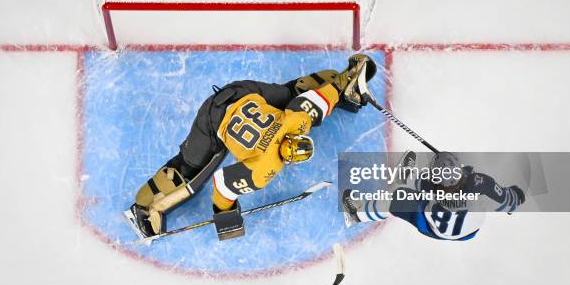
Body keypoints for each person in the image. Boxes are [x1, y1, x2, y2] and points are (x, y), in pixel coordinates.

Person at [125, 53, 377, 240]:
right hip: (213, 117)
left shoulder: (296, 119)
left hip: (242, 91)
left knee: (291, 95)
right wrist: (225, 214)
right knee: (191, 167)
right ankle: (144, 209)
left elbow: (320, 99)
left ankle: (347, 88)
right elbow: (221, 184)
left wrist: (346, 80)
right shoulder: (263, 168)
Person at [342, 151, 526, 241]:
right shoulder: (480, 182)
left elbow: (425, 184)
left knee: (398, 197)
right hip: (467, 233)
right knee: (423, 190)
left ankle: (357, 213)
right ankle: (406, 176)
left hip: (430, 226)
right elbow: (503, 198)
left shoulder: (430, 186)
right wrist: (514, 199)